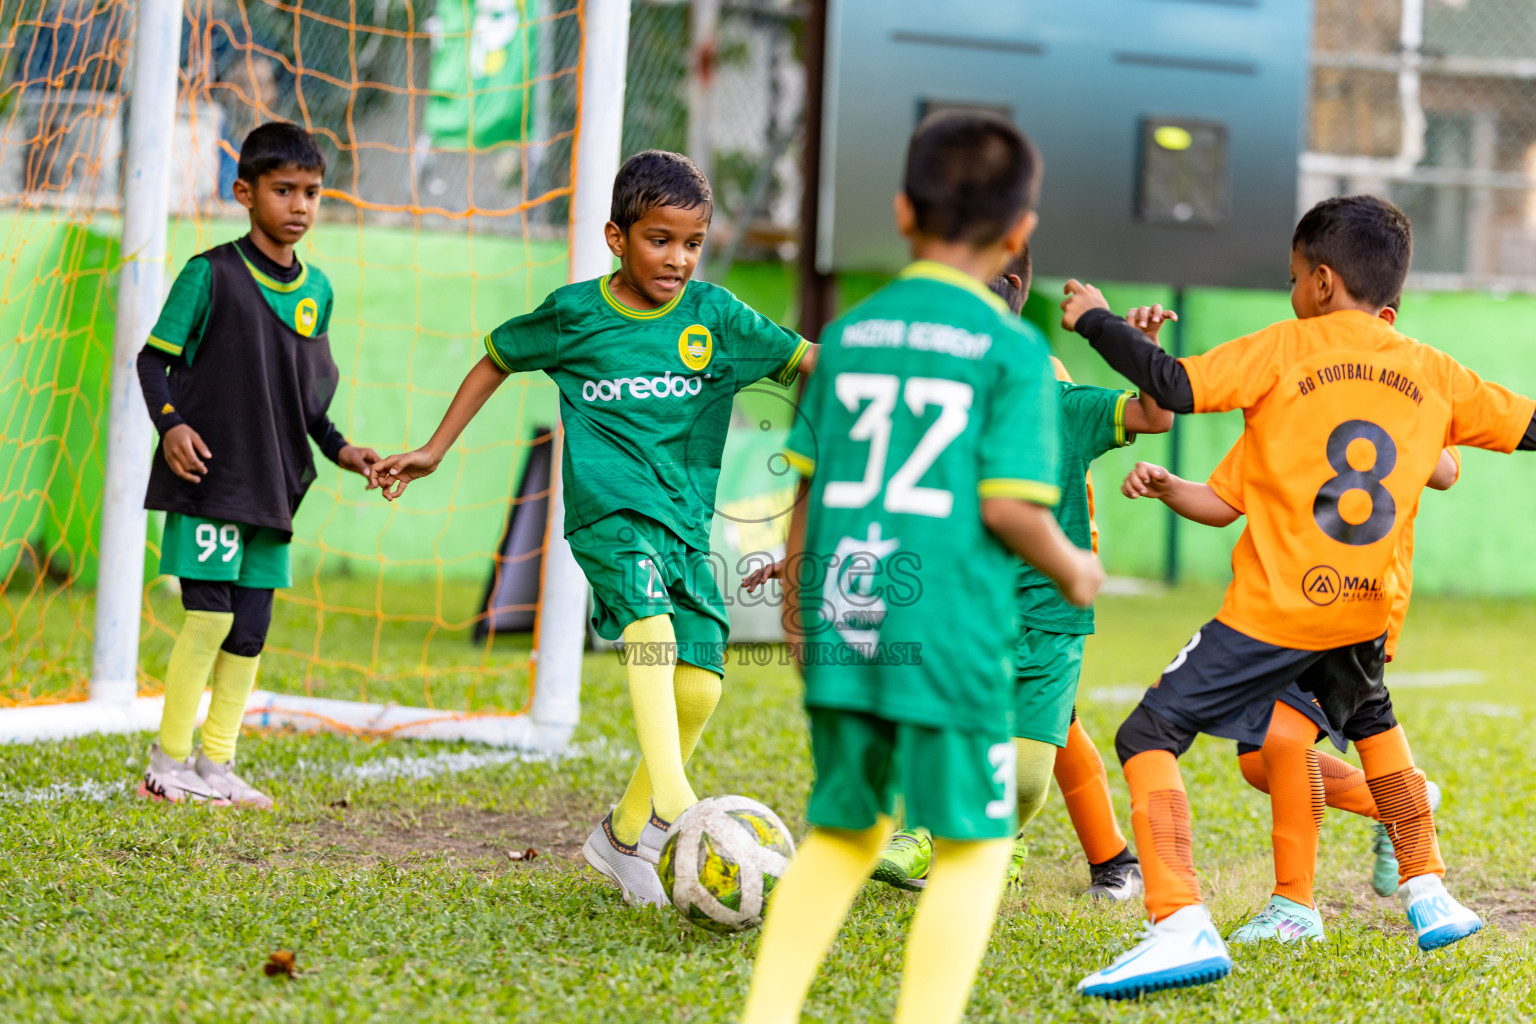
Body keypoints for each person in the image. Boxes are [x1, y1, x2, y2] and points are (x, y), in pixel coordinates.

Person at [1061, 194, 1536, 998]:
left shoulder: (1287, 349)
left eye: (1290, 278)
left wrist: (1096, 321)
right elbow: (1521, 430)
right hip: (1364, 607)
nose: (1290, 292)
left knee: (1148, 735)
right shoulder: (1431, 368)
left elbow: (1172, 385)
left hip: (1277, 611)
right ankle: (1427, 888)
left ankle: (1177, 923)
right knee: (1373, 721)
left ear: (1319, 282)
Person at [368, 150, 812, 908]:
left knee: (701, 687)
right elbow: (496, 358)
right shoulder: (575, 314)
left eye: (692, 242)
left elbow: (809, 360)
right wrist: (435, 449)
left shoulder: (719, 317)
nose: (677, 258)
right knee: (653, 631)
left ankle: (622, 835)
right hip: (610, 517)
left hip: (684, 526)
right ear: (617, 237)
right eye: (659, 239)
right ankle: (677, 807)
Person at [740, 111, 1103, 1024]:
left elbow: (809, 498)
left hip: (846, 622)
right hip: (949, 638)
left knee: (845, 830)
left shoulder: (852, 334)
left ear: (902, 212)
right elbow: (1008, 506)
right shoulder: (1014, 351)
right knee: (972, 845)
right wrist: (1072, 567)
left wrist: (796, 609)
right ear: (1019, 236)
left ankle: (768, 1011)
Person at [869, 247, 1169, 902]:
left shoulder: (1044, 384)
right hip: (964, 603)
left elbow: (1150, 413)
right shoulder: (927, 380)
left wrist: (1140, 350)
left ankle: (1006, 847)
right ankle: (938, 835)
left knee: (1036, 754)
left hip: (1044, 604)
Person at [1122, 437, 1460, 941]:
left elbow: (1445, 468)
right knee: (1259, 761)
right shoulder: (1283, 394)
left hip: (1343, 609)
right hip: (1267, 611)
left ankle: (1294, 905)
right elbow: (1223, 502)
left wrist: (1382, 396)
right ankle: (1390, 801)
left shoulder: (1404, 382)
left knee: (1282, 741)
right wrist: (1170, 488)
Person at [137, 121, 379, 807]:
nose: (299, 206)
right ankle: (167, 762)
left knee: (250, 629)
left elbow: (308, 403)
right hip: (210, 478)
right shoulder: (208, 273)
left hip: (275, 489)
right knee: (208, 617)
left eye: (312, 192)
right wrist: (171, 425)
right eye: (283, 191)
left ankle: (216, 765)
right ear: (245, 193)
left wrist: (342, 450)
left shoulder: (317, 291)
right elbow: (153, 360)